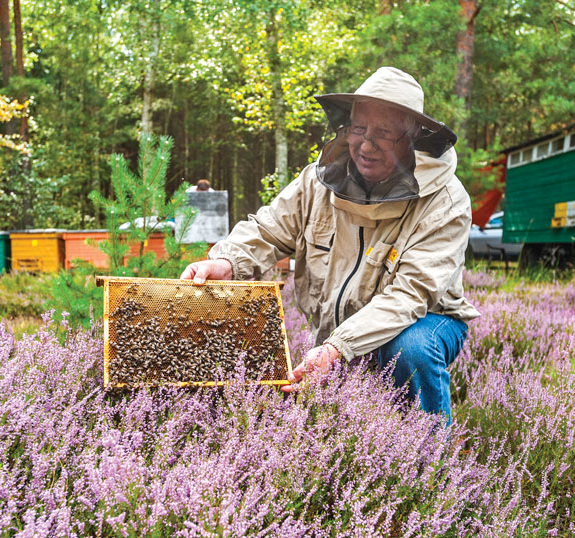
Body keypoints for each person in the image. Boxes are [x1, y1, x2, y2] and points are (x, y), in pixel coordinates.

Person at [180, 67, 479, 424]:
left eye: (383, 133)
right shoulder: (316, 181)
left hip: (429, 318)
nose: (366, 144)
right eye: (358, 128)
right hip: (337, 328)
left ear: (412, 137)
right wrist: (227, 261)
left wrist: (338, 347)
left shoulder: (445, 202)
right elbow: (268, 229)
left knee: (410, 349)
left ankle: (429, 450)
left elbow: (410, 295)